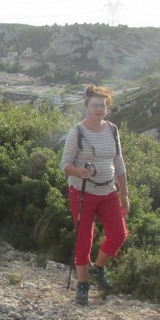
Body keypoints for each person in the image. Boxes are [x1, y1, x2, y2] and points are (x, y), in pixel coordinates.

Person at [59, 85, 130, 306]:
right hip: (82, 192)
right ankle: (82, 284)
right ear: (87, 106)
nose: (99, 109)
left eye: (103, 105)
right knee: (84, 238)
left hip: (108, 190)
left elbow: (118, 162)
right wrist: (80, 171)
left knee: (119, 234)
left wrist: (125, 194)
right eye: (95, 105)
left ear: (107, 107)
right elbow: (64, 165)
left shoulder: (112, 130)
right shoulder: (77, 132)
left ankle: (97, 268)